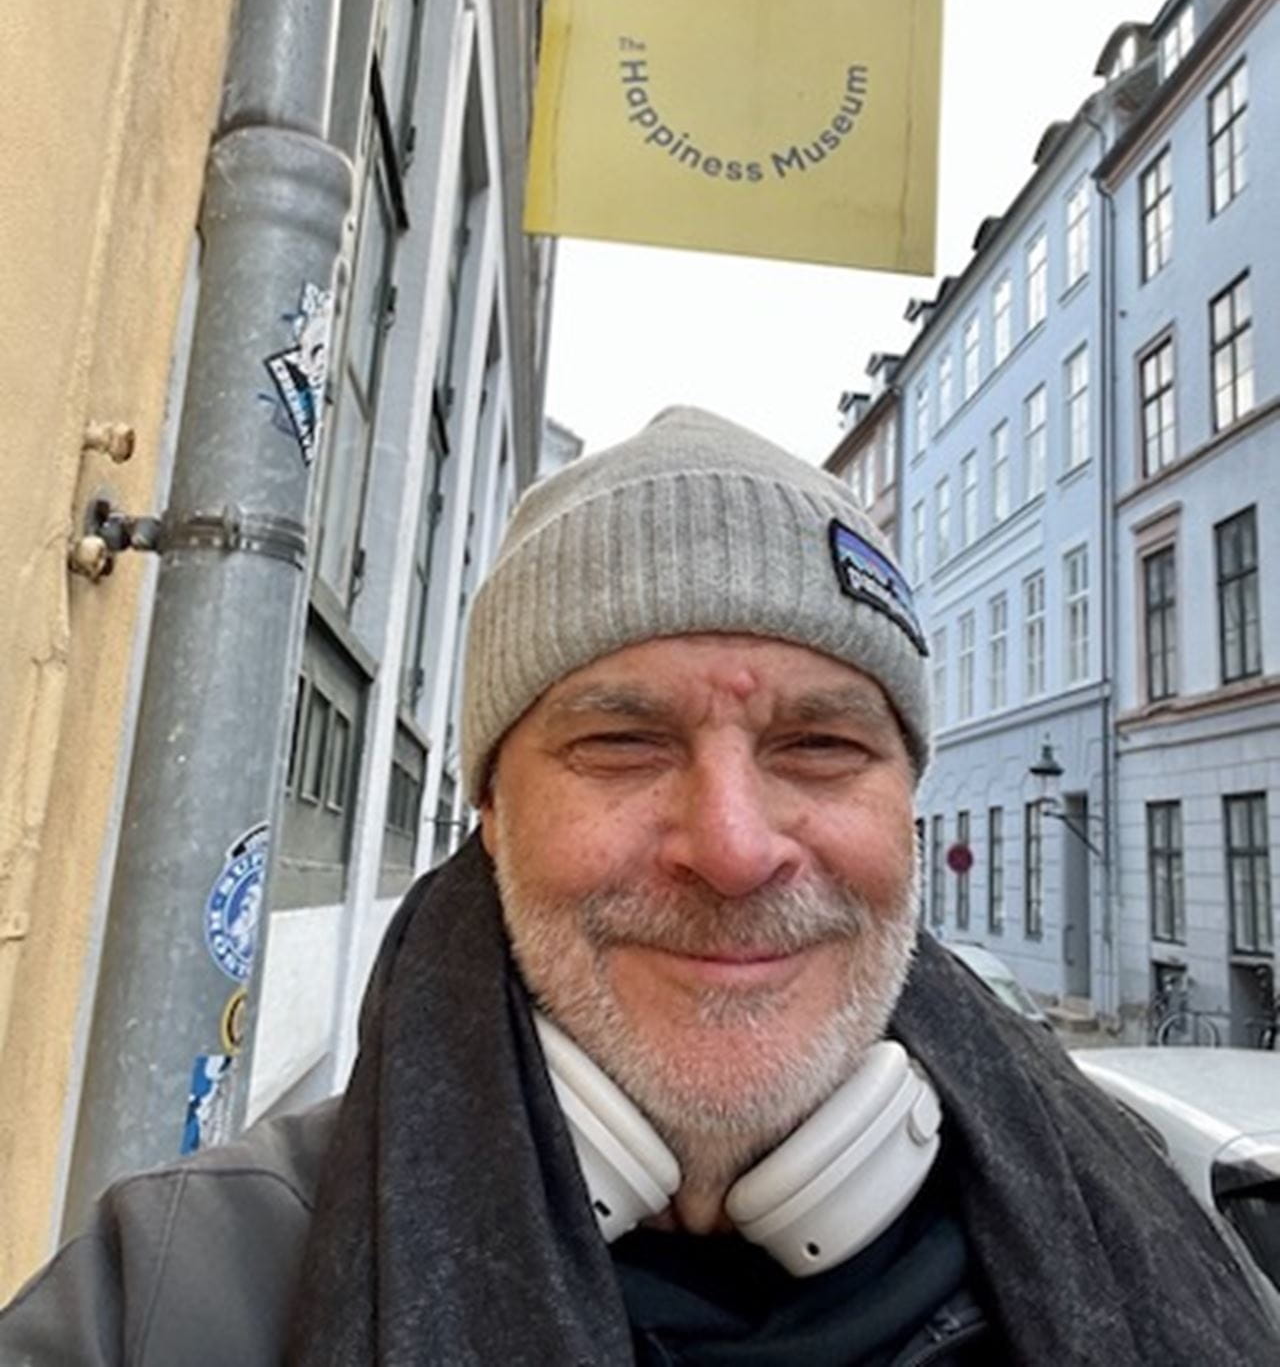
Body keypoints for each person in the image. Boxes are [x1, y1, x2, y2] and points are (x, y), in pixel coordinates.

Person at [2, 407, 1276, 1364]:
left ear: (906, 804)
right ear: (489, 811)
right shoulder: (170, 1297)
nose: (730, 847)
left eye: (819, 746)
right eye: (621, 743)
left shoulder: (1191, 1227)